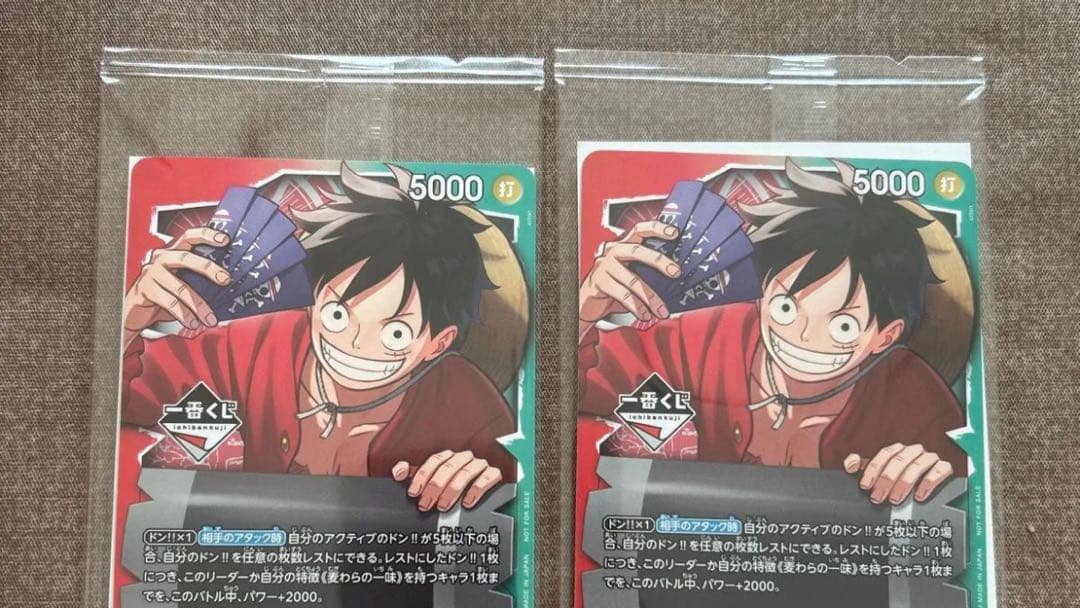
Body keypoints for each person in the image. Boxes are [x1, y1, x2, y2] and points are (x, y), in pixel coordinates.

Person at [122, 164, 520, 512]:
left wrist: (484, 481)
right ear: (314, 300)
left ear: (438, 343)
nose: (355, 344)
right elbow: (128, 395)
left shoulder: (468, 407)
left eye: (396, 333)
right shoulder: (260, 346)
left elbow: (511, 498)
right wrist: (128, 320)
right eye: (337, 314)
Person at [577, 159, 966, 506]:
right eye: (785, 307)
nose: (802, 336)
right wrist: (582, 313)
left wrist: (930, 475)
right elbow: (581, 390)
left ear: (885, 335)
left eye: (843, 326)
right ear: (763, 292)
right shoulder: (707, 339)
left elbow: (959, 488)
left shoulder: (912, 397)